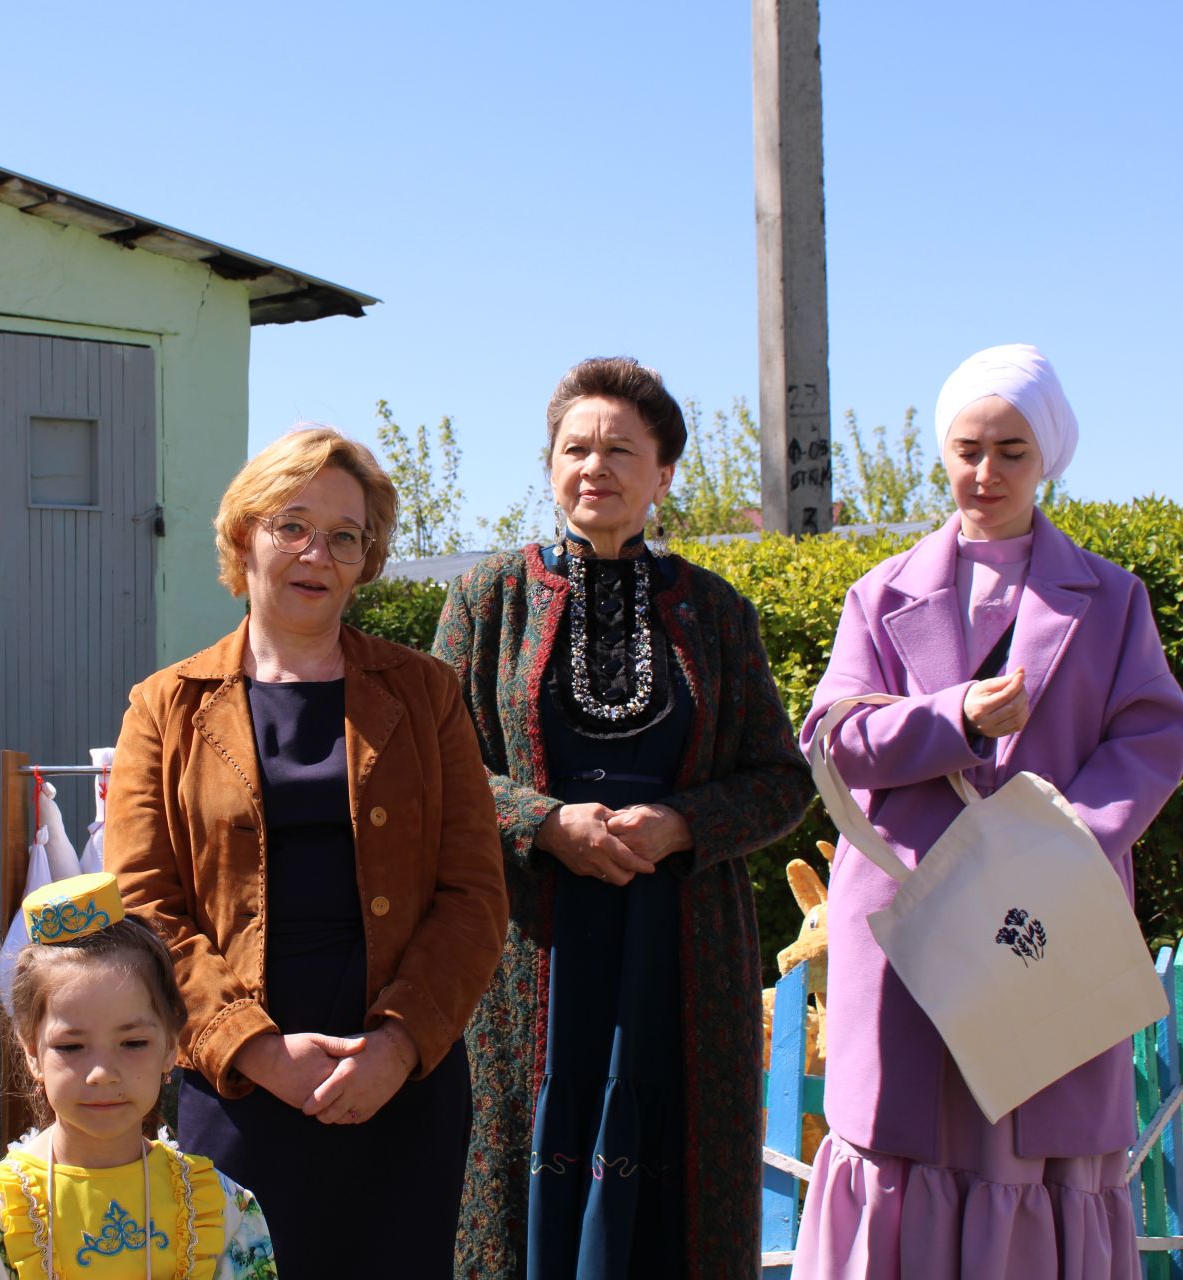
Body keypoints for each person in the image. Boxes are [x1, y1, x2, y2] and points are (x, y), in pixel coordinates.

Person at [791, 344, 1183, 1278]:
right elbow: (832, 740)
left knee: (1031, 1133)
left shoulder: (1115, 599)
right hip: (910, 926)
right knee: (902, 1135)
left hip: (1044, 921)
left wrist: (1055, 849)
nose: (985, 471)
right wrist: (949, 717)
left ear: (1047, 456)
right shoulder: (877, 593)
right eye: (968, 447)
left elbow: (1154, 737)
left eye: (1012, 449)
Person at [435, 357, 814, 1279]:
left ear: (664, 473)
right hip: (533, 941)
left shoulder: (717, 612)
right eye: (575, 448)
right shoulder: (490, 598)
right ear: (550, 463)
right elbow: (432, 766)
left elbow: (781, 777)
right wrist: (544, 823)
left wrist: (682, 825)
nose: (593, 467)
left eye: (619, 450)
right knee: (516, 1172)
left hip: (678, 937)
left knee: (681, 1183)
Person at [103, 428, 508, 1276]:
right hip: (239, 1083)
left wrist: (398, 1044)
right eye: (291, 525)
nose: (315, 553)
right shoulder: (163, 706)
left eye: (344, 535)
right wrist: (251, 1047)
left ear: (367, 559)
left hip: (402, 1081)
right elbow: (145, 908)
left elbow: (474, 894)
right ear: (243, 536)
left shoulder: (426, 694)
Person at [0, 872, 278, 1277]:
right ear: (32, 1050)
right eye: (71, 1047)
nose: (102, 1074)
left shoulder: (221, 1210)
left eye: (133, 1043)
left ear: (172, 1045)